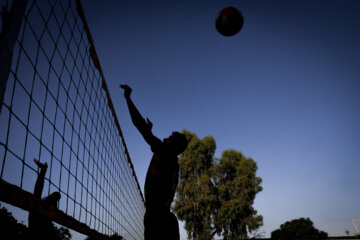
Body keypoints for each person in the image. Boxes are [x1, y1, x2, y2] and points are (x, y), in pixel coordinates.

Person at [120, 84, 188, 240]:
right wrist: (149, 132)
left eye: (170, 138)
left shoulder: (165, 151)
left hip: (157, 220)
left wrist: (128, 98)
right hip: (168, 219)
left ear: (173, 144)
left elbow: (139, 124)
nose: (166, 138)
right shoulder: (174, 164)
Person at [28, 159, 61, 240]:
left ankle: (43, 169)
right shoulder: (41, 204)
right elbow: (38, 188)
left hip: (39, 227)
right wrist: (43, 171)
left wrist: (43, 170)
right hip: (38, 225)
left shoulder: (50, 207)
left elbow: (38, 188)